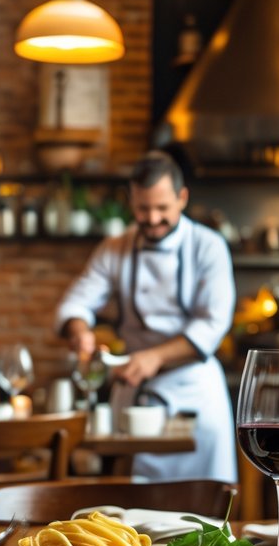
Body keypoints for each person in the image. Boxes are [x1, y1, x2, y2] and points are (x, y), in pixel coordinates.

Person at [55, 151, 237, 482]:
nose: (152, 218)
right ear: (131, 202)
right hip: (136, 392)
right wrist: (80, 331)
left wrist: (155, 357)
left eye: (162, 208)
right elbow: (75, 304)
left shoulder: (209, 246)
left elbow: (212, 324)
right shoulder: (115, 247)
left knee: (207, 500)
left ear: (182, 198)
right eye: (143, 208)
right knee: (136, 501)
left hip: (195, 389)